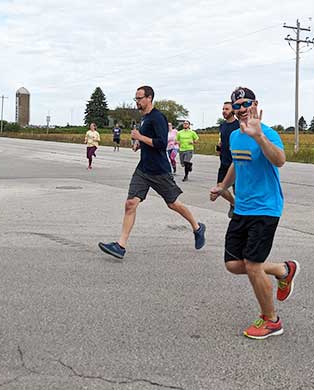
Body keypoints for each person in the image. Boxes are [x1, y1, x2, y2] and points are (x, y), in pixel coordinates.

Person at [209, 86, 299, 340]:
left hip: (266, 207)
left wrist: (259, 137)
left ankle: (271, 320)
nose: (240, 109)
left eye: (245, 104)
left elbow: (279, 160)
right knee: (232, 264)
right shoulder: (234, 137)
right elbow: (237, 163)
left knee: (252, 265)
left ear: (255, 104)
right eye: (236, 105)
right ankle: (283, 270)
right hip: (242, 207)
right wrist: (223, 186)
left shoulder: (267, 133)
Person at [98, 86, 206, 260]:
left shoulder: (158, 117)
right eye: (136, 98)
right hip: (143, 169)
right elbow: (150, 141)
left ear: (149, 98)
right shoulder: (145, 118)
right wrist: (139, 144)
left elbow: (161, 143)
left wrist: (140, 138)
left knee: (173, 204)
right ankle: (120, 246)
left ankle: (197, 227)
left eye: (139, 98)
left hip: (159, 170)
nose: (137, 102)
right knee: (130, 204)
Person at [217, 102, 239, 218]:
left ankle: (242, 211)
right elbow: (221, 139)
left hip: (236, 163)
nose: (224, 111)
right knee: (220, 189)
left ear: (233, 111)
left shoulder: (239, 125)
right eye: (223, 109)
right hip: (224, 162)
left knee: (238, 192)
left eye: (226, 109)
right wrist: (219, 146)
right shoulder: (223, 125)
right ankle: (234, 203)